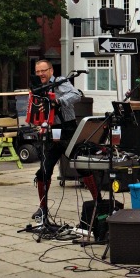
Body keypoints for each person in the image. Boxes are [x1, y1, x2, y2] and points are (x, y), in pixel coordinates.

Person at [31, 60, 100, 221]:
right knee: (43, 171)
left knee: (83, 166)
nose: (41, 74)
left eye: (43, 70)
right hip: (51, 131)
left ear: (51, 70)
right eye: (38, 71)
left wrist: (58, 101)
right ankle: (42, 208)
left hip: (68, 130)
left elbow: (76, 95)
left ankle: (98, 202)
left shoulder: (61, 82)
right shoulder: (40, 89)